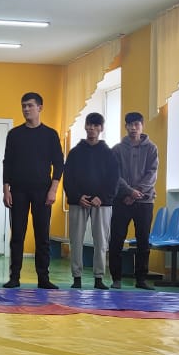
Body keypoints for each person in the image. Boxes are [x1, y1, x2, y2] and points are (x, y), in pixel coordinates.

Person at [2, 91, 64, 290]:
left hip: (43, 192)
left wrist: (53, 190)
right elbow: (7, 163)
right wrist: (6, 190)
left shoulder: (50, 135)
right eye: (23, 106)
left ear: (40, 108)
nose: (26, 109)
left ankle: (43, 279)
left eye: (30, 105)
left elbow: (59, 164)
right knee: (17, 236)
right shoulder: (14, 134)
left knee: (42, 237)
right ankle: (14, 277)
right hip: (18, 191)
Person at [63, 113, 119, 291]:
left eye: (96, 125)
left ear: (101, 128)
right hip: (78, 202)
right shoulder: (75, 152)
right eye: (89, 125)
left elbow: (114, 179)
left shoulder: (109, 153)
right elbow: (68, 178)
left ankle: (99, 278)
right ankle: (77, 277)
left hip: (102, 203)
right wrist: (77, 196)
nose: (92, 128)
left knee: (101, 241)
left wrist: (101, 197)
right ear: (85, 126)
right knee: (76, 240)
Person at [109, 111, 159, 291]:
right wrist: (129, 192)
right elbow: (114, 175)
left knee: (143, 240)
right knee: (116, 239)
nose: (133, 128)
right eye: (130, 125)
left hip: (144, 202)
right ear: (125, 127)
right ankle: (116, 278)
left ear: (142, 126)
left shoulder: (151, 148)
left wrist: (137, 193)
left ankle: (141, 279)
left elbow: (152, 174)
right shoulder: (117, 149)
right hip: (121, 200)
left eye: (137, 124)